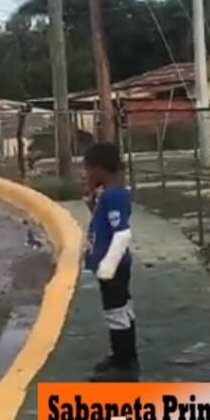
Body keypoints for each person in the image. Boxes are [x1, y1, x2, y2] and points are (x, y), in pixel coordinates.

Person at [83, 142, 138, 382]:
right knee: (121, 310)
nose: (86, 174)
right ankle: (122, 356)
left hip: (114, 267)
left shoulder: (113, 196)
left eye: (88, 169)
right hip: (115, 265)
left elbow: (121, 233)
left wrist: (107, 266)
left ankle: (123, 365)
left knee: (116, 312)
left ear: (99, 169)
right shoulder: (110, 195)